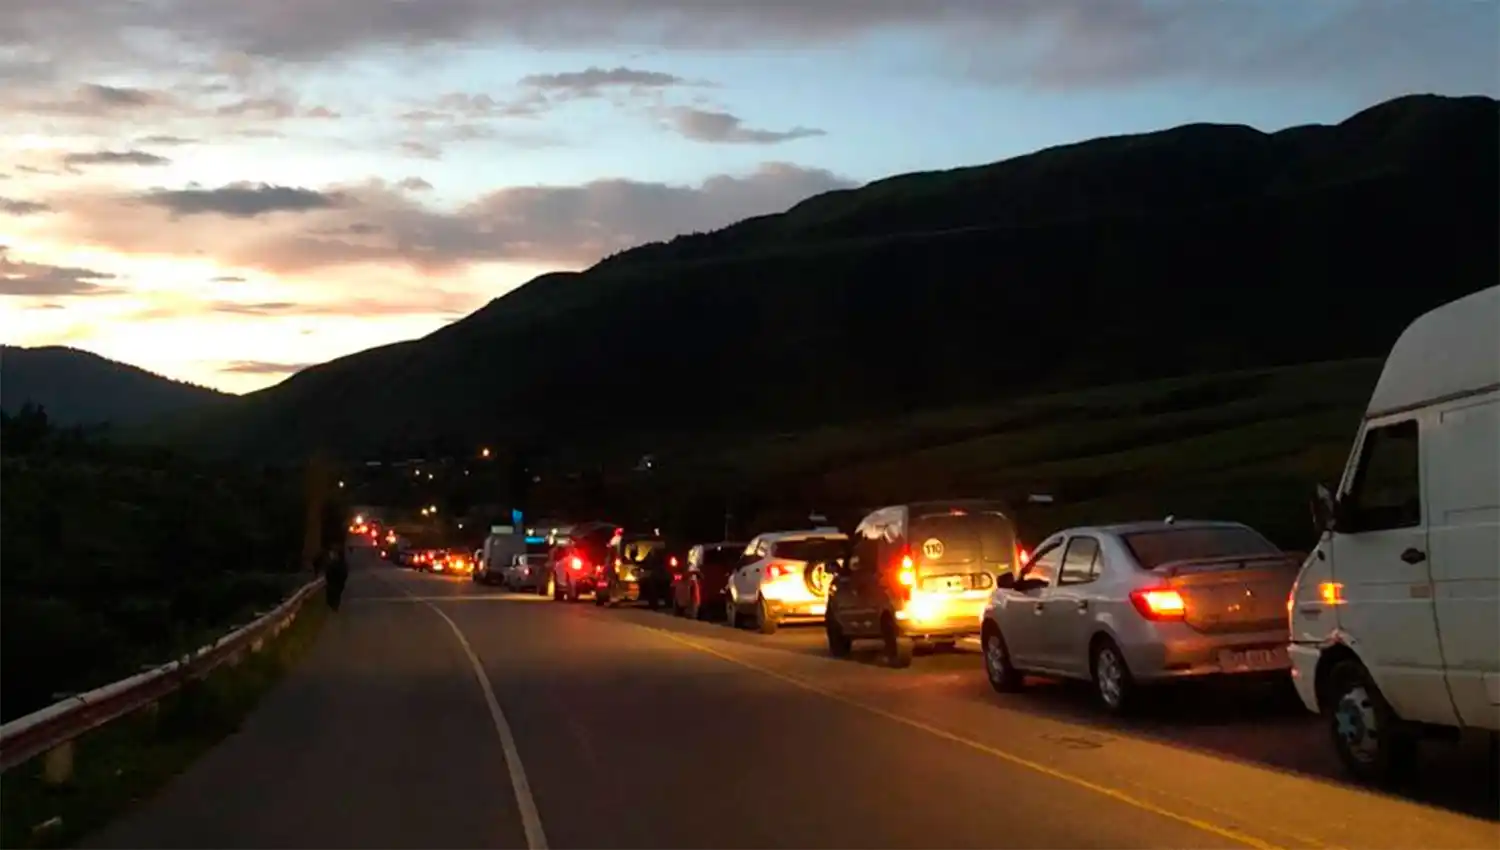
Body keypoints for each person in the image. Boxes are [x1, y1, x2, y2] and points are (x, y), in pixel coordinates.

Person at [323, 545, 350, 611]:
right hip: (333, 582)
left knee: (335, 594)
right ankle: (333, 606)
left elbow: (344, 573)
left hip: (336, 582)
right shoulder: (333, 563)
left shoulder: (339, 564)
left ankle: (334, 606)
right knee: (333, 595)